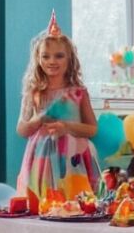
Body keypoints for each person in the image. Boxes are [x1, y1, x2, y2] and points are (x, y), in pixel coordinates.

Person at [16, 11, 100, 201]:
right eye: (46, 57)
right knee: (43, 201)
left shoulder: (78, 92)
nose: (52, 61)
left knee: (74, 200)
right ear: (38, 59)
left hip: (72, 159)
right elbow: (22, 129)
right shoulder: (34, 91)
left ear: (69, 59)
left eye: (59, 56)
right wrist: (39, 119)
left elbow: (92, 129)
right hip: (41, 158)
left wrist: (66, 127)